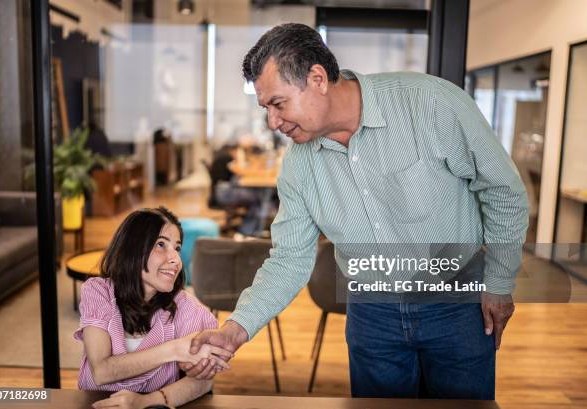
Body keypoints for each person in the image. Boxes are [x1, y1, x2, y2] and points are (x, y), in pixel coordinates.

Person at [182, 23, 529, 399]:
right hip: (371, 312)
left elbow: (502, 191)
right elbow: (289, 258)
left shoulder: (430, 104)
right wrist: (234, 330)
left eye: (278, 104)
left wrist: (498, 280)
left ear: (317, 78)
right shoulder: (300, 164)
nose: (272, 122)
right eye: (265, 108)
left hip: (457, 302)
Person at [74, 207, 231, 409]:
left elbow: (204, 381)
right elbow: (101, 371)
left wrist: (146, 402)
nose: (175, 259)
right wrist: (174, 350)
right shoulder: (98, 292)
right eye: (161, 244)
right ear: (132, 248)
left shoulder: (187, 308)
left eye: (177, 248)